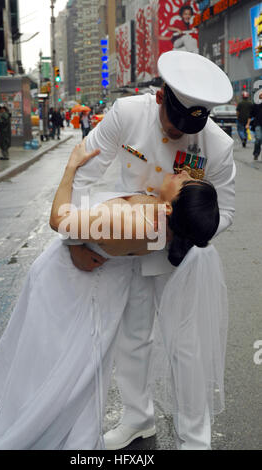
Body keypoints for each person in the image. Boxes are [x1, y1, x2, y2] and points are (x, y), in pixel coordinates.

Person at [0, 139, 227, 450]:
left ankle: (41, 422)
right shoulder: (163, 226)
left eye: (184, 182)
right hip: (90, 283)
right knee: (71, 365)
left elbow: (59, 221)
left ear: (171, 208)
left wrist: (70, 168)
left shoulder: (135, 224)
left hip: (67, 284)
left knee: (56, 361)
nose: (183, 174)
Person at [66, 51, 235, 450]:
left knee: (186, 347)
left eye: (187, 129)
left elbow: (224, 212)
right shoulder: (126, 113)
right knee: (132, 336)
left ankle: (195, 438)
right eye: (172, 124)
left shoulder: (218, 145)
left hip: (182, 256)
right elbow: (82, 172)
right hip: (130, 247)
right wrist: (76, 240)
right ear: (160, 97)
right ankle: (137, 419)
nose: (178, 134)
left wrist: (184, 229)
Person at [246, 91, 262, 161]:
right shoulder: (256, 105)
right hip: (258, 124)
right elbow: (251, 115)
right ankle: (256, 153)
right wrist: (248, 124)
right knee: (258, 139)